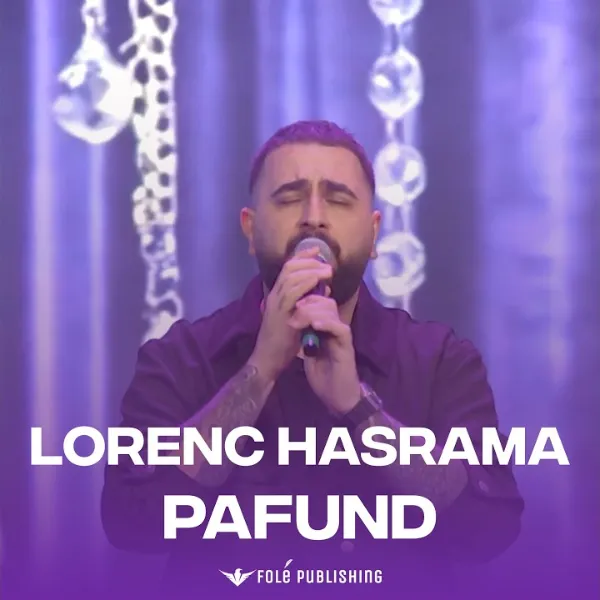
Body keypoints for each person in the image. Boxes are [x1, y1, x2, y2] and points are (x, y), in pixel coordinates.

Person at [101, 120, 524, 598]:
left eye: (339, 200)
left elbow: (489, 527)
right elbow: (130, 520)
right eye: (289, 198)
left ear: (374, 232)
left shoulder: (440, 360)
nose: (314, 218)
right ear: (250, 228)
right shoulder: (180, 358)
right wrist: (260, 370)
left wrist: (359, 409)